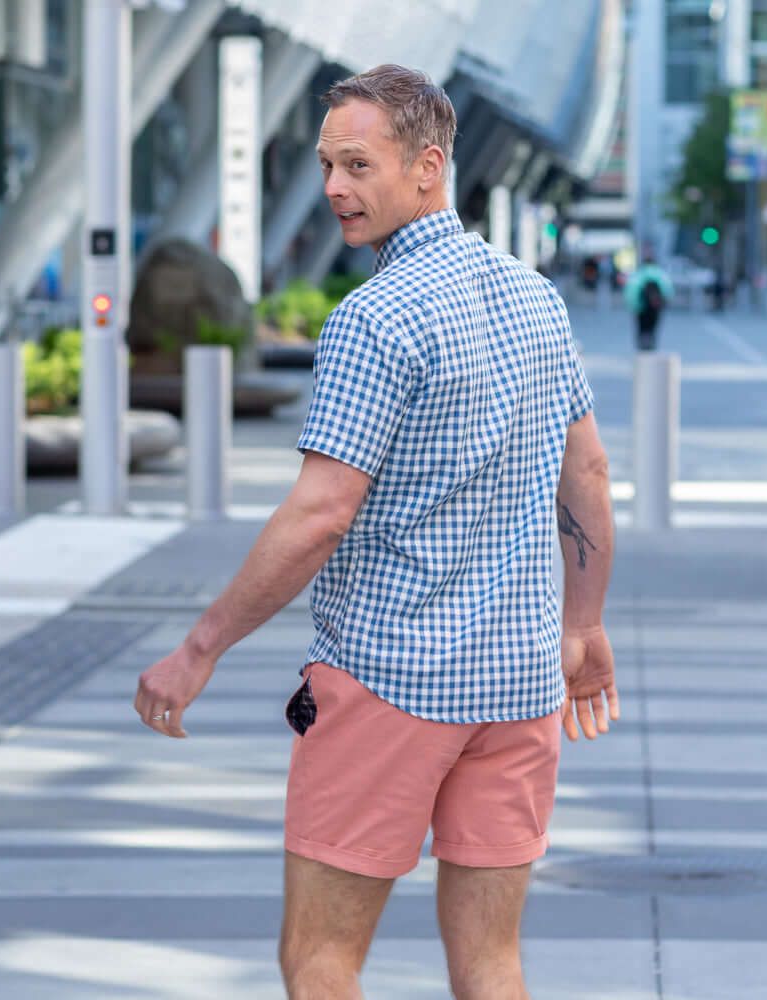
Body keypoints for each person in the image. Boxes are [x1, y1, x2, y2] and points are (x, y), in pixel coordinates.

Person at [135, 64, 617, 1000]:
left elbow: (321, 512)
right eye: (326, 164)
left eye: (357, 164)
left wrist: (198, 649)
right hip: (518, 686)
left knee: (321, 959)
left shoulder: (374, 317)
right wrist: (584, 628)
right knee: (492, 964)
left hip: (389, 678)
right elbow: (589, 475)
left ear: (428, 166)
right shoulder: (535, 298)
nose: (333, 188)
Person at [624, 251, 674, 350]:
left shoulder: (639, 274)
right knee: (653, 327)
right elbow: (668, 290)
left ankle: (642, 345)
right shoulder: (660, 274)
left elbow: (631, 292)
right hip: (656, 307)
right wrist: (665, 303)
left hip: (641, 307)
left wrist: (633, 306)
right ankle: (651, 344)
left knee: (642, 327)